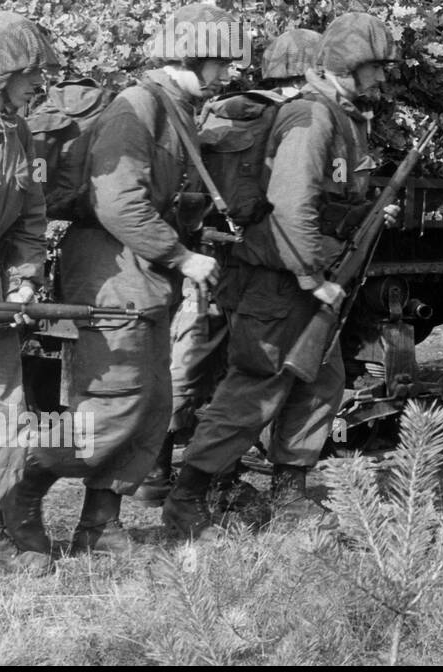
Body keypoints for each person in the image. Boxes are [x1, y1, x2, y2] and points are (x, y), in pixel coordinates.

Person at [0, 5, 235, 564]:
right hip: (111, 277)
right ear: (191, 57)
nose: (226, 74)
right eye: (220, 62)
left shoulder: (174, 109)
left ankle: (99, 525)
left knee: (150, 406)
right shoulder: (138, 108)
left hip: (140, 277)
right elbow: (117, 200)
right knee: (110, 405)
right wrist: (182, 256)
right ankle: (22, 487)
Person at [162, 13, 401, 542]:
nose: (383, 79)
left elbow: (324, 201)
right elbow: (291, 206)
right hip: (284, 281)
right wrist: (313, 276)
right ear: (349, 66)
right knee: (254, 390)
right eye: (376, 68)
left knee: (320, 385)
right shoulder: (311, 118)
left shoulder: (339, 116)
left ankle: (289, 495)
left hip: (306, 278)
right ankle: (188, 497)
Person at [136, 28, 325, 506]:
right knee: (262, 373)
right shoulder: (297, 117)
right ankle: (220, 480)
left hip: (210, 256)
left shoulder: (222, 111)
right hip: (266, 264)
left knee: (192, 361)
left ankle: (156, 469)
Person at [0, 13, 58, 575]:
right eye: (30, 72)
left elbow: (29, 215)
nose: (39, 83)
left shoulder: (18, 131)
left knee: (3, 412)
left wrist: (25, 280)